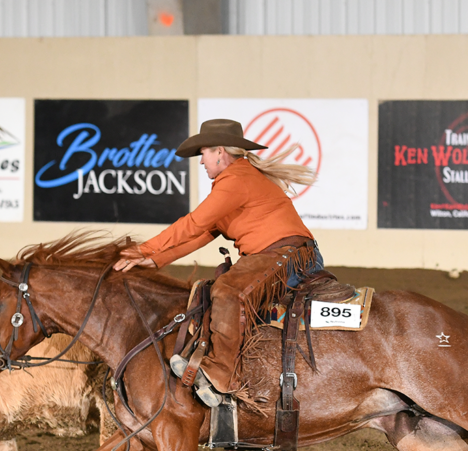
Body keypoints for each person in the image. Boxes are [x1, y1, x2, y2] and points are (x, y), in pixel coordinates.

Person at [113, 119, 321, 407]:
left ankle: (222, 375)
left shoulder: (236, 180)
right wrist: (154, 261)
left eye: (204, 154)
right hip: (280, 255)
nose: (202, 162)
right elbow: (201, 234)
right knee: (219, 291)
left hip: (285, 256)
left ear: (220, 151)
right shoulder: (235, 183)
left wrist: (143, 250)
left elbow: (194, 222)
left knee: (227, 291)